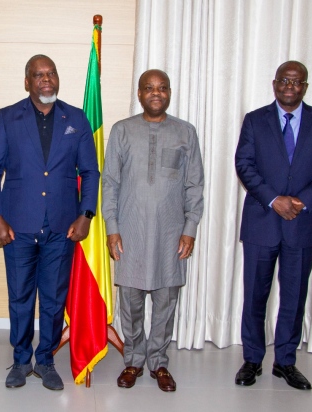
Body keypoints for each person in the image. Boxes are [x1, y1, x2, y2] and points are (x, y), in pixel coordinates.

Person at [0, 54, 99, 390]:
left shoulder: (75, 118)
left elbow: (90, 171)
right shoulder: (8, 117)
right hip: (17, 225)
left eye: (52, 73)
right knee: (19, 296)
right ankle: (21, 360)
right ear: (27, 81)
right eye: (38, 75)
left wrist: (85, 215)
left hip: (62, 226)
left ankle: (45, 360)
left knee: (52, 298)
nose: (46, 79)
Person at [102, 69, 204, 392]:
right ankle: (133, 360)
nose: (156, 93)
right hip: (129, 232)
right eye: (149, 88)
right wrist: (112, 227)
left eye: (162, 88)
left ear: (170, 93)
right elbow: (111, 184)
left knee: (165, 302)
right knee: (130, 302)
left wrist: (190, 228)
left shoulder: (186, 133)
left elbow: (194, 186)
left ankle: (159, 362)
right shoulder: (121, 131)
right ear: (139, 93)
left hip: (170, 235)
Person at [234, 61, 312, 390]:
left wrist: (301, 200)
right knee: (255, 294)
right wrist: (274, 199)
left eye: (297, 82)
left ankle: (285, 361)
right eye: (284, 80)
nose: (290, 86)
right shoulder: (255, 120)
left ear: (305, 87)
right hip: (262, 220)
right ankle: (252, 359)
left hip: (302, 221)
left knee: (295, 297)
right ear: (274, 83)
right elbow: (244, 164)